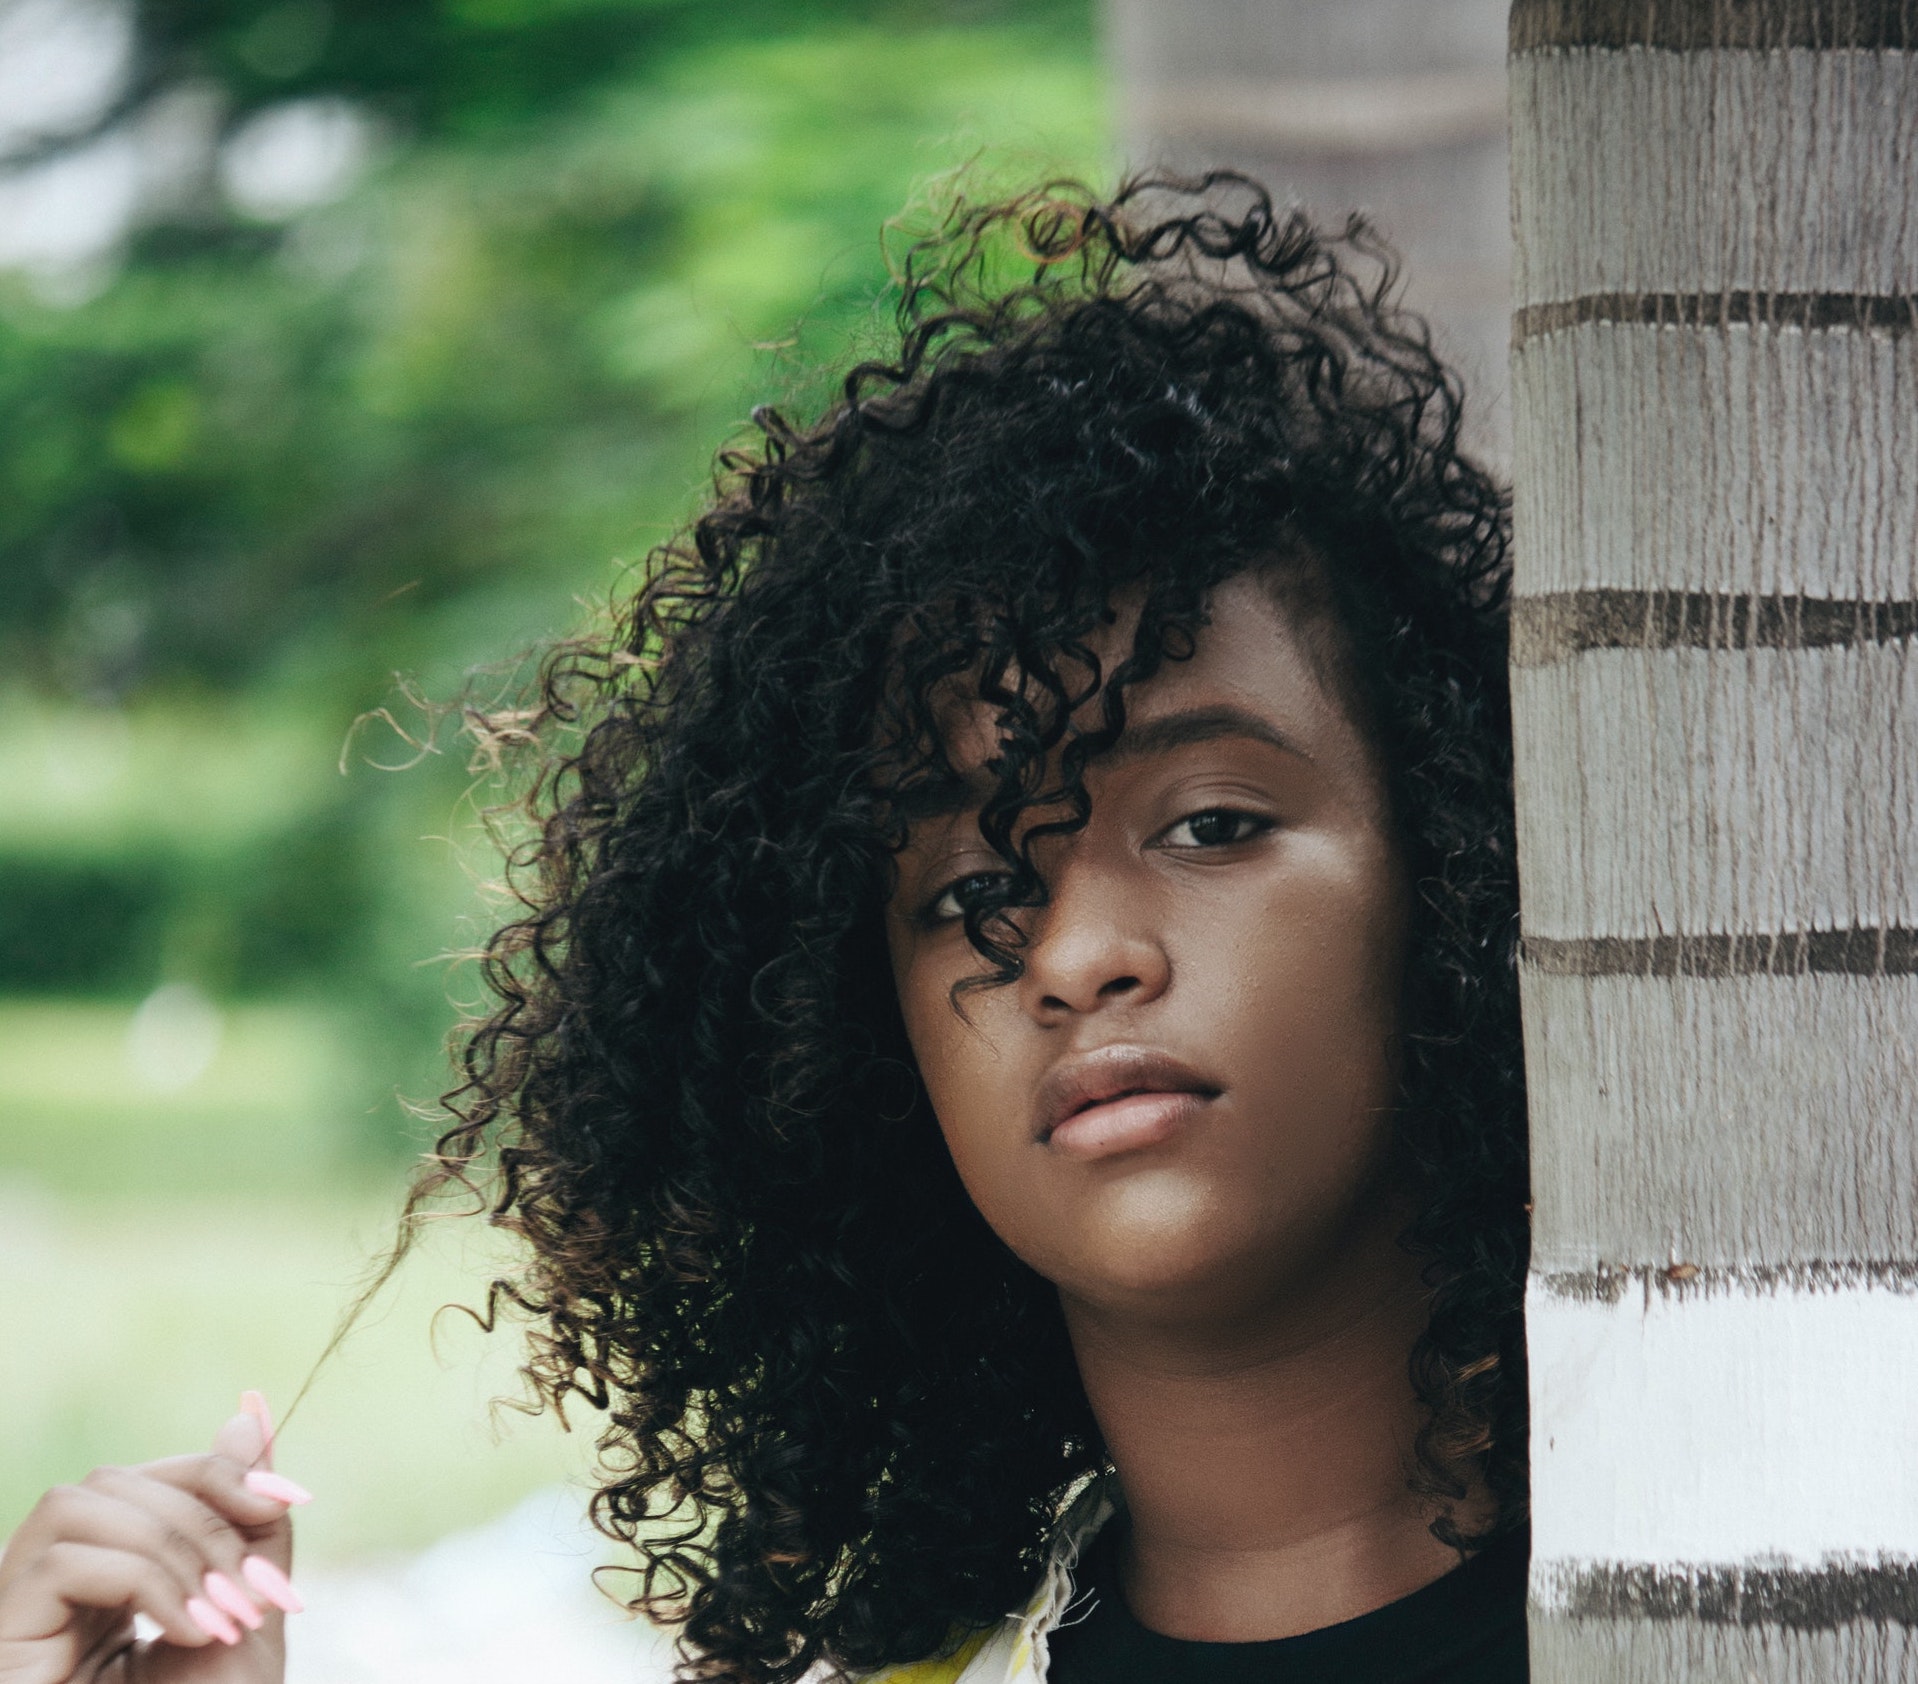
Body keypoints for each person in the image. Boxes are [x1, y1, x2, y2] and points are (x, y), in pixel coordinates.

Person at [0, 173, 1529, 1684]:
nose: (1075, 958)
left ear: (1455, 868)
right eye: (973, 893)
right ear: (872, 1046)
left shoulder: (1729, 1595)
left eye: (1208, 825)